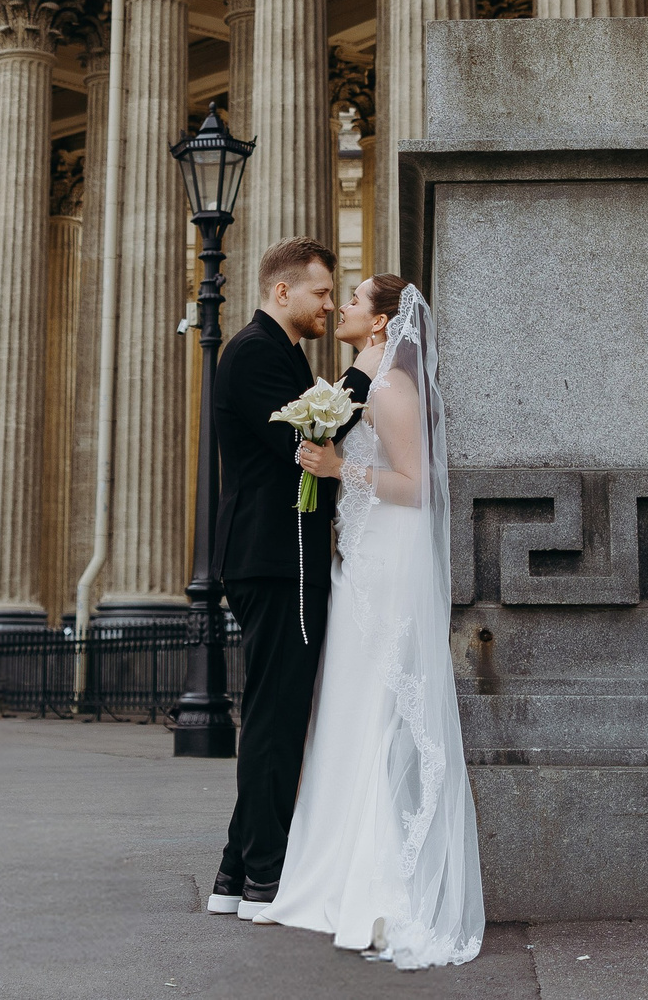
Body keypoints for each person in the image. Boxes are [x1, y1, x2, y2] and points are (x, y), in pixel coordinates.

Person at [253, 273, 482, 967]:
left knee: (373, 714)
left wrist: (335, 469)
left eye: (353, 299)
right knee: (351, 715)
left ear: (380, 324)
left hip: (387, 568)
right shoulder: (370, 385)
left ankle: (373, 883)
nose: (343, 307)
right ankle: (329, 872)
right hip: (362, 564)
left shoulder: (391, 391)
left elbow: (415, 488)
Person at [205, 237, 371, 920]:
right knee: (276, 718)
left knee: (276, 713)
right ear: (282, 292)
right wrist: (366, 371)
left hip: (279, 557)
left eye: (336, 296)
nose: (330, 306)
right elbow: (308, 442)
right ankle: (265, 879)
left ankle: (233, 872)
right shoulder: (252, 352)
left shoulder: (280, 353)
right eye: (321, 294)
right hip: (276, 561)